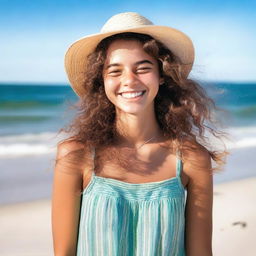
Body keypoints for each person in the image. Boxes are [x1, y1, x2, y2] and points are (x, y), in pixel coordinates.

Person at [51, 12, 227, 256]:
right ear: (100, 81)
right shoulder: (76, 155)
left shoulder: (191, 159)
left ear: (162, 75)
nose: (129, 81)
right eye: (115, 71)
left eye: (142, 68)